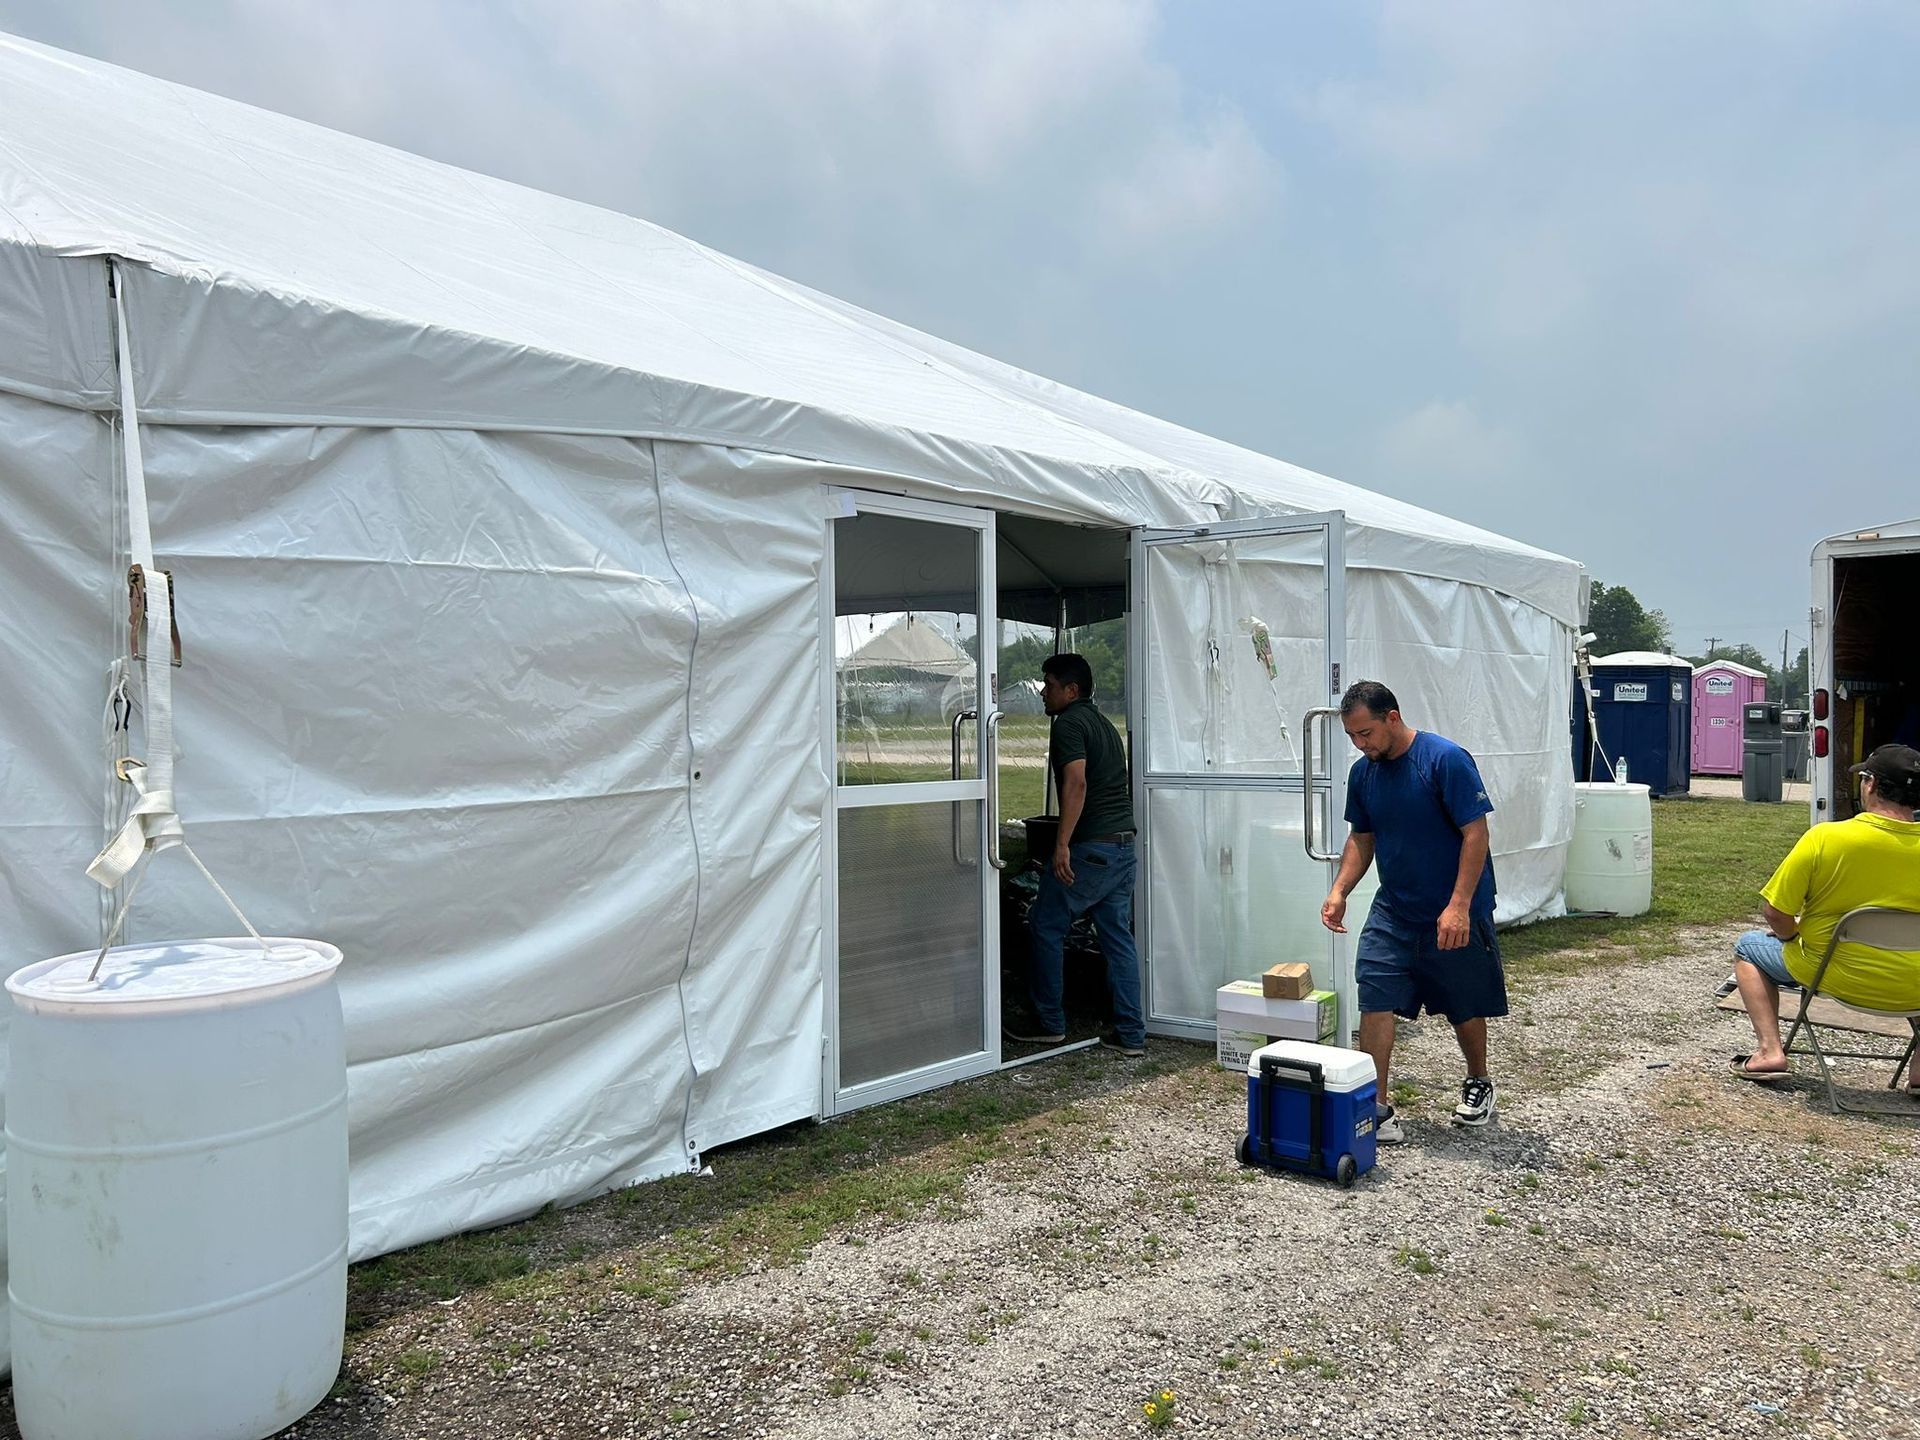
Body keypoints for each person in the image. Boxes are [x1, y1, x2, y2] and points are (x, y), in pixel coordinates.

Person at [1319, 681, 1505, 1144]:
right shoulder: (1364, 775)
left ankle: (1478, 1081)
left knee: (1463, 1002)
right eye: (1353, 737)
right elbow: (1362, 839)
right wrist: (1340, 888)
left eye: (1366, 733)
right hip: (1395, 909)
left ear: (1393, 718)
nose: (1361, 745)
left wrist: (1458, 906)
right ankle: (1377, 1106)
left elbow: (1475, 834)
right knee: (1375, 994)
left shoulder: (1445, 760)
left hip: (1453, 907)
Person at [1729, 743, 1920, 1086]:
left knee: (1748, 947)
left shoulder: (1827, 837)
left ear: (1871, 784)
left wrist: (1792, 935)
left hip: (1832, 972)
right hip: (1914, 986)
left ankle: (1770, 1050)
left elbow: (1775, 913)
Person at [1004, 653, 1147, 1056]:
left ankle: (1048, 1021)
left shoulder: (1068, 724)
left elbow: (1077, 784)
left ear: (1072, 690)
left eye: (1048, 685)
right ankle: (1131, 1034)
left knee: (1045, 924)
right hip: (1122, 847)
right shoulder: (1102, 722)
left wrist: (1062, 844)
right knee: (1117, 938)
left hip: (1092, 849)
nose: (1044, 692)